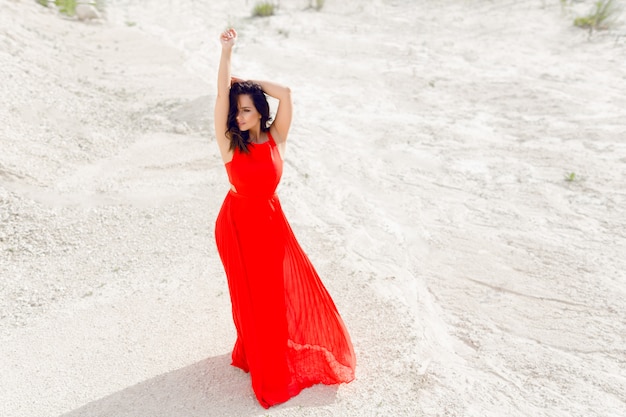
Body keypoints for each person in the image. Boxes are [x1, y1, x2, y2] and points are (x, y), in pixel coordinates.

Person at [213, 28, 356, 409]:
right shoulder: (229, 142)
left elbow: (286, 93)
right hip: (237, 222)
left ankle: (260, 351)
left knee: (272, 293)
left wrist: (245, 82)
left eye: (246, 109)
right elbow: (219, 94)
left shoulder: (277, 135)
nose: (239, 117)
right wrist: (227, 54)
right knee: (250, 293)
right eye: (236, 110)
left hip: (271, 220)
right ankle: (257, 357)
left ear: (260, 110)